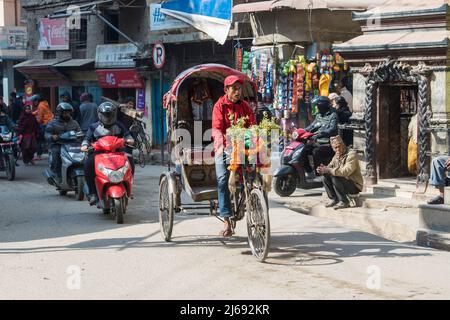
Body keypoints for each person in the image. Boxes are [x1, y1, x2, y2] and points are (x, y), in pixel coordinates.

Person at [212, 75, 256, 237]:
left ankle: (255, 206)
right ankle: (226, 219)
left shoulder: (245, 106)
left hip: (242, 147)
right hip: (223, 147)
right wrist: (221, 145)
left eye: (239, 89)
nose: (238, 92)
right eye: (234, 89)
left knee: (255, 176)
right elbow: (216, 129)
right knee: (223, 179)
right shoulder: (219, 106)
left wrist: (257, 140)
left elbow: (253, 126)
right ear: (226, 90)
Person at [81, 102, 134, 206]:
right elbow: (86, 139)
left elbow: (128, 135)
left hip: (117, 152)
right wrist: (85, 145)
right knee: (88, 164)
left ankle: (128, 187)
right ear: (100, 115)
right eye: (106, 115)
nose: (108, 117)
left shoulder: (119, 125)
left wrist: (129, 139)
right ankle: (92, 193)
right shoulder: (93, 127)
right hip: (98, 153)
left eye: (110, 115)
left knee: (130, 159)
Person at [317, 135, 363, 210]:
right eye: (335, 148)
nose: (338, 149)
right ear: (333, 148)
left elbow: (346, 171)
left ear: (343, 145)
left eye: (339, 146)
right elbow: (330, 167)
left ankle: (344, 201)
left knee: (334, 176)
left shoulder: (351, 155)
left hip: (354, 186)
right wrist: (323, 169)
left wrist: (329, 170)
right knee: (325, 176)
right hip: (343, 182)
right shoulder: (336, 155)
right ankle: (334, 199)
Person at [303, 96, 338, 179]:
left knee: (316, 152)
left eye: (317, 105)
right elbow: (312, 126)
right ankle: (309, 171)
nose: (315, 107)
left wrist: (322, 133)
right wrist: (301, 131)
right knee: (303, 149)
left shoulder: (333, 115)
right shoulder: (319, 115)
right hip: (318, 143)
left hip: (328, 145)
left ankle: (319, 175)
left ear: (322, 106)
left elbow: (332, 129)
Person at [45, 103, 80, 183]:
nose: (67, 114)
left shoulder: (74, 123)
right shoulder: (52, 123)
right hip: (58, 144)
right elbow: (47, 134)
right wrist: (52, 137)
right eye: (64, 112)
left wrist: (82, 136)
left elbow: (79, 132)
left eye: (68, 112)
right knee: (56, 152)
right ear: (59, 112)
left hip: (72, 144)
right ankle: (56, 173)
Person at [30, 94, 54, 159]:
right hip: (51, 122)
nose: (33, 103)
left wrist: (34, 120)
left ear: (37, 100)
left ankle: (39, 155)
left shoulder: (40, 105)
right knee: (48, 139)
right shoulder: (44, 103)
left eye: (34, 101)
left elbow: (40, 119)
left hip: (46, 123)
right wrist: (31, 113)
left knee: (39, 139)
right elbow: (38, 111)